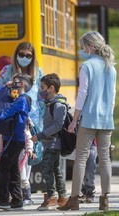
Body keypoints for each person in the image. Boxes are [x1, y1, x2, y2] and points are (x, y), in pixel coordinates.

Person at [58, 31, 116, 211]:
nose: (82, 50)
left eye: (83, 46)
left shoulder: (86, 66)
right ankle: (104, 199)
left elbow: (82, 94)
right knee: (104, 159)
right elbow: (112, 96)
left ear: (90, 46)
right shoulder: (111, 67)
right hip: (106, 120)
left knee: (81, 159)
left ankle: (74, 199)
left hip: (89, 119)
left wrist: (74, 120)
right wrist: (108, 114)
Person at [0, 41, 44, 205]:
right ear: (16, 55)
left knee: (26, 158)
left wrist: (41, 123)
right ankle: (17, 195)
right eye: (21, 54)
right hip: (10, 121)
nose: (24, 58)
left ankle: (23, 194)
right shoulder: (7, 71)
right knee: (12, 160)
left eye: (28, 56)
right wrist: (7, 86)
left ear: (32, 57)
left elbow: (41, 99)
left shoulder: (38, 73)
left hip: (31, 121)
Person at [0, 74, 33, 210]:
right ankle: (17, 200)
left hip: (14, 139)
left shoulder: (22, 100)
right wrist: (5, 87)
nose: (13, 84)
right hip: (11, 138)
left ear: (22, 85)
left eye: (16, 82)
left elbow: (7, 111)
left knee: (3, 168)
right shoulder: (18, 98)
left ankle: (3, 199)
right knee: (13, 170)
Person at [31, 73, 68, 210]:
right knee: (56, 170)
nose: (41, 90)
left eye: (42, 87)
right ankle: (62, 197)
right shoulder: (50, 103)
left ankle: (52, 196)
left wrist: (40, 135)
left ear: (51, 88)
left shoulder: (58, 105)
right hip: (50, 143)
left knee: (46, 169)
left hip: (54, 143)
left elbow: (58, 125)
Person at [78, 139, 98, 204]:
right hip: (79, 142)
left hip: (92, 143)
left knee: (90, 167)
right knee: (79, 168)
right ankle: (83, 192)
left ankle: (89, 192)